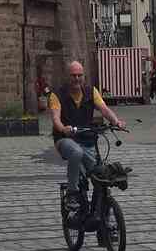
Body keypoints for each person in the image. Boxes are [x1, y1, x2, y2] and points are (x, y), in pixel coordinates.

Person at [48, 60, 127, 218]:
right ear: (67, 76)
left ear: (84, 76)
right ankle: (72, 193)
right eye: (73, 76)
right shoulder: (57, 95)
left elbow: (104, 109)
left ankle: (103, 224)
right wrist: (63, 128)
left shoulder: (91, 92)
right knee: (76, 153)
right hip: (65, 140)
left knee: (100, 176)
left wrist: (116, 122)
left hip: (87, 139)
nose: (77, 79)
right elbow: (55, 118)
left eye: (80, 75)